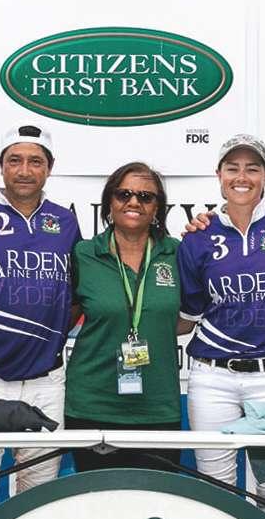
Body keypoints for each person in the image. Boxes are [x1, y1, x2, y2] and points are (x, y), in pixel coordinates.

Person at [176, 134, 265, 519]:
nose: (242, 177)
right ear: (219, 175)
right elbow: (188, 314)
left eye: (252, 168)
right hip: (212, 378)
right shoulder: (198, 237)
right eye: (232, 168)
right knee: (217, 496)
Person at [0, 123, 80, 519]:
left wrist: (48, 334)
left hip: (47, 379)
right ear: (1, 166)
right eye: (15, 160)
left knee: (37, 496)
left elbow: (77, 294)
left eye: (35, 161)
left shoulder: (65, 222)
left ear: (49, 168)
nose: (25, 170)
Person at [65, 162, 188, 471]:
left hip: (158, 407)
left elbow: (186, 320)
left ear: (158, 207)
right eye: (124, 194)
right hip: (92, 404)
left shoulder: (177, 254)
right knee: (97, 498)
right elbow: (64, 318)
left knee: (156, 498)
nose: (134, 202)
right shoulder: (83, 254)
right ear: (109, 201)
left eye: (146, 197)